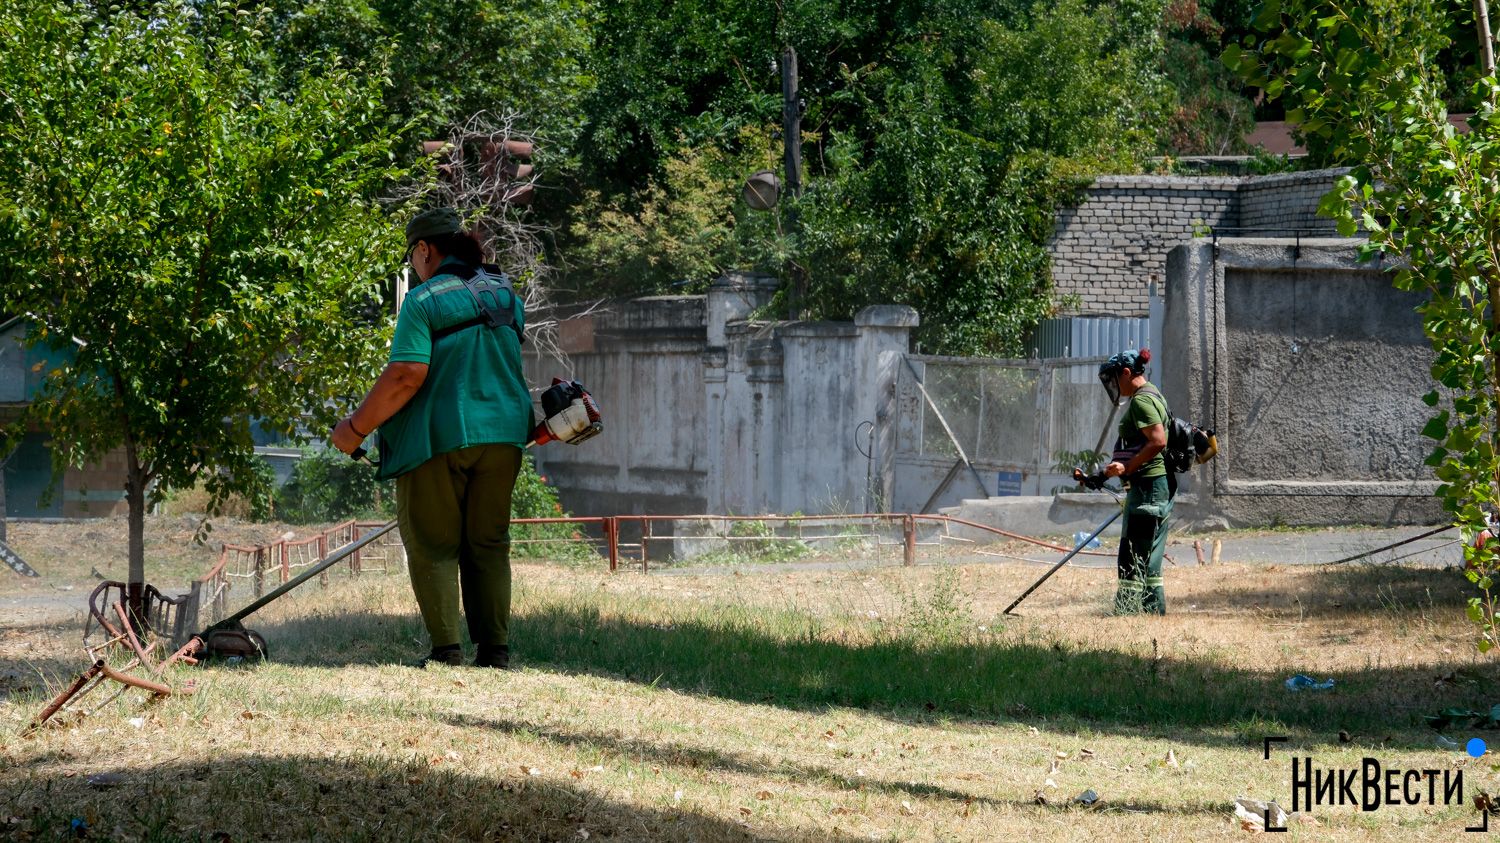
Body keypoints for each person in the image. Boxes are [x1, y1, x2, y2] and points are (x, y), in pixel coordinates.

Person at [331, 208, 532, 668]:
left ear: (425, 249)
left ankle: (447, 650)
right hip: (504, 438)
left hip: (442, 437)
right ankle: (495, 651)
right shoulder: (504, 294)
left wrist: (354, 429)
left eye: (413, 258)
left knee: (435, 542)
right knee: (488, 542)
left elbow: (405, 375)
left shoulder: (424, 301)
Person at [1098, 348, 1172, 615]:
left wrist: (1127, 466)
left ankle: (1127, 613)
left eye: (1116, 379)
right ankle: (1153, 612)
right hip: (1154, 487)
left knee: (1132, 553)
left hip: (1147, 487)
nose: (1115, 385)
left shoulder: (1141, 401)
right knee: (1149, 556)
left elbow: (1158, 441)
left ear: (1127, 373)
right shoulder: (1154, 393)